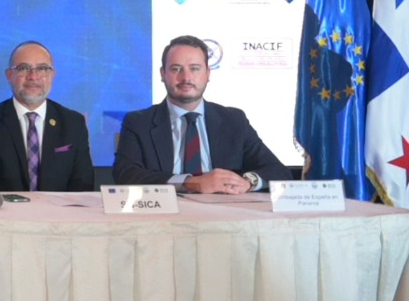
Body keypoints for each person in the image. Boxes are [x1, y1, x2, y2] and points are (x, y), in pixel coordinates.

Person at [113, 35, 290, 193]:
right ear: (163, 74)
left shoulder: (234, 120)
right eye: (176, 69)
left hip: (224, 213)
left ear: (208, 74)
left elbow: (277, 171)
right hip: (164, 214)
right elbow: (126, 174)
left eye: (195, 68)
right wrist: (189, 183)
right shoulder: (139, 122)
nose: (186, 78)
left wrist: (248, 182)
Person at [0, 41, 94, 191]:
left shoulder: (73, 123)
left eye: (42, 69)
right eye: (24, 68)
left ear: (52, 75)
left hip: (60, 207)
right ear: (9, 75)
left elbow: (83, 186)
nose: (33, 76)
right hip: (5, 206)